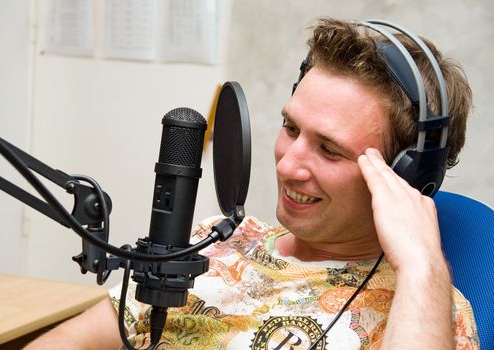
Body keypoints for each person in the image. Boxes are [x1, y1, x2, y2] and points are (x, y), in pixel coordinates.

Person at [25, 18, 477, 349]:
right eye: (292, 129)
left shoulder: (429, 310)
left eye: (330, 149)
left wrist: (422, 266)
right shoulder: (211, 243)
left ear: (404, 175)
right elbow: (75, 340)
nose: (288, 164)